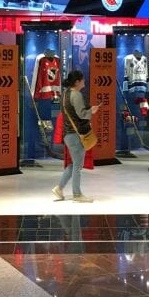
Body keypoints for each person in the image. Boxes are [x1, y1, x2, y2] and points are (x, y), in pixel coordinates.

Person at [53, 70, 99, 202]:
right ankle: (77, 194)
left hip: (68, 134)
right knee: (78, 165)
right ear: (77, 82)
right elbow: (82, 114)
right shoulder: (76, 95)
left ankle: (59, 188)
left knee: (75, 163)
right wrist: (92, 110)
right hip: (75, 133)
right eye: (83, 80)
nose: (84, 82)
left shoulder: (65, 94)